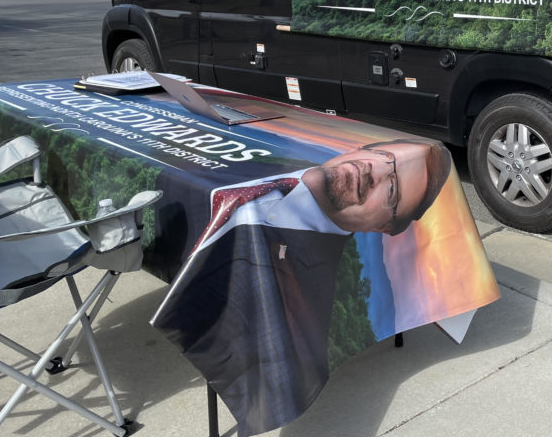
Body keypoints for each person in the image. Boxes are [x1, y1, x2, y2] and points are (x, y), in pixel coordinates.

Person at [152, 138, 451, 437]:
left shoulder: (300, 309)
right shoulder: (265, 159)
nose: (373, 171)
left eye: (392, 189)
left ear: (381, 227)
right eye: (383, 156)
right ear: (357, 150)